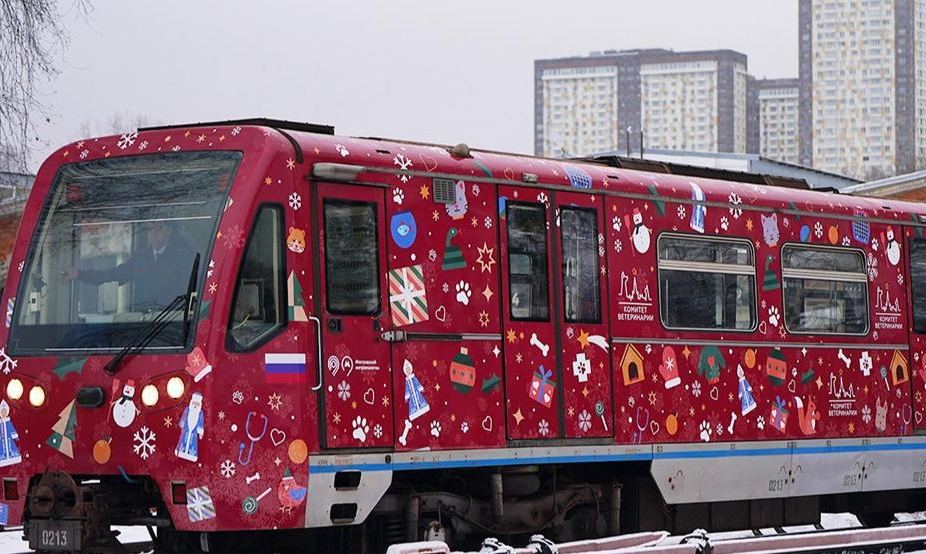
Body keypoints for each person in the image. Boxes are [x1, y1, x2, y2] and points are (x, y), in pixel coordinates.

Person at [66, 220, 196, 312]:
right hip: (142, 321)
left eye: (159, 228)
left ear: (168, 231)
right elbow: (110, 274)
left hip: (173, 318)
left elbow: (191, 287)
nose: (154, 233)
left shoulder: (181, 258)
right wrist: (80, 274)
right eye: (151, 229)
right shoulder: (141, 259)